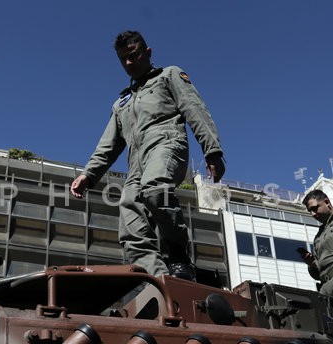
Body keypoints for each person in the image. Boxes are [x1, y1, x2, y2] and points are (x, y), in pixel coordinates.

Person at [70, 30, 225, 281]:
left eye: (133, 55)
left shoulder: (169, 75)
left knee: (155, 189)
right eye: (123, 59)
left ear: (147, 52)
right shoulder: (121, 103)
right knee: (131, 228)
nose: (129, 63)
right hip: (135, 164)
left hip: (166, 145)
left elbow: (194, 108)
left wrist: (212, 150)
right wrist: (89, 174)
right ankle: (163, 282)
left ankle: (178, 256)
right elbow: (107, 145)